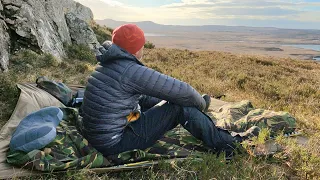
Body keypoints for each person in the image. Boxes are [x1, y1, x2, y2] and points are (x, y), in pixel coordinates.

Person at [80, 24, 255, 158]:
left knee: (152, 99)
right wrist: (200, 104)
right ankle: (229, 145)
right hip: (115, 143)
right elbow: (183, 91)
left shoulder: (106, 63)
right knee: (178, 107)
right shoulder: (130, 71)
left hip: (101, 132)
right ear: (137, 49)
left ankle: (198, 110)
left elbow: (141, 95)